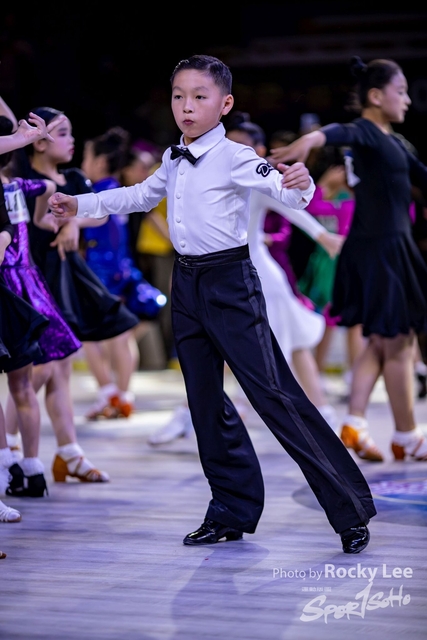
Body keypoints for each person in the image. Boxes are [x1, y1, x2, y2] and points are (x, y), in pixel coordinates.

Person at [49, 54, 376, 554]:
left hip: (230, 283)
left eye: (199, 97)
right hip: (186, 284)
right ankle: (231, 509)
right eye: (179, 96)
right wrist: (81, 204)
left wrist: (302, 183)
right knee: (203, 402)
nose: (186, 106)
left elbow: (289, 195)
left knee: (274, 394)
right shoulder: (172, 156)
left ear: (224, 104)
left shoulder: (237, 156)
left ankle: (350, 510)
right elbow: (138, 196)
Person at [270, 55, 427, 463]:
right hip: (382, 249)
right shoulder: (367, 132)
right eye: (400, 91)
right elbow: (340, 131)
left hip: (384, 247)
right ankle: (407, 435)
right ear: (375, 96)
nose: (407, 99)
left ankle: (357, 422)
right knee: (397, 341)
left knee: (383, 339)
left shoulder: (395, 142)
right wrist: (310, 141)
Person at [5, 105, 138, 482]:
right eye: (62, 133)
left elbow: (100, 212)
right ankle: (10, 445)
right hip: (30, 279)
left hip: (63, 277)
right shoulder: (22, 178)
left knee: (59, 367)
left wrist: (74, 222)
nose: (72, 140)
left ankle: (68, 452)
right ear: (40, 141)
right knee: (40, 368)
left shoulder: (74, 177)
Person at [79, 127, 144, 419]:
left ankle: (109, 394)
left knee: (91, 337)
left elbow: (107, 229)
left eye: (86, 157)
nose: (83, 164)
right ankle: (123, 396)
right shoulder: (118, 190)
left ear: (100, 162)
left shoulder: (100, 194)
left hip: (102, 273)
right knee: (122, 337)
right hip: (121, 269)